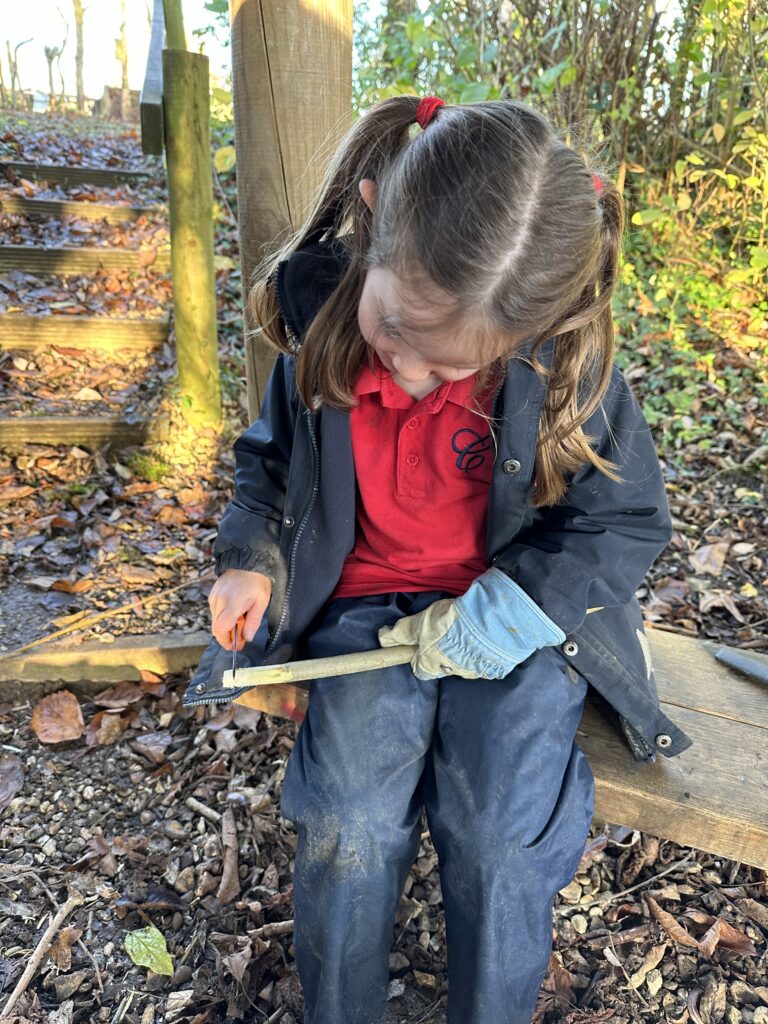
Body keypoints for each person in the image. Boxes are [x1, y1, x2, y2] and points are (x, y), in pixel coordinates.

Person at [184, 95, 690, 1024]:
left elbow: (619, 523)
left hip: (513, 624)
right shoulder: (320, 332)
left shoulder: (563, 365)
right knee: (349, 822)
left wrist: (514, 605)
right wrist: (252, 559)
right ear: (373, 219)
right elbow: (267, 470)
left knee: (499, 834)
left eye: (447, 368)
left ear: (525, 328)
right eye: (393, 332)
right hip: (365, 608)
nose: (407, 375)